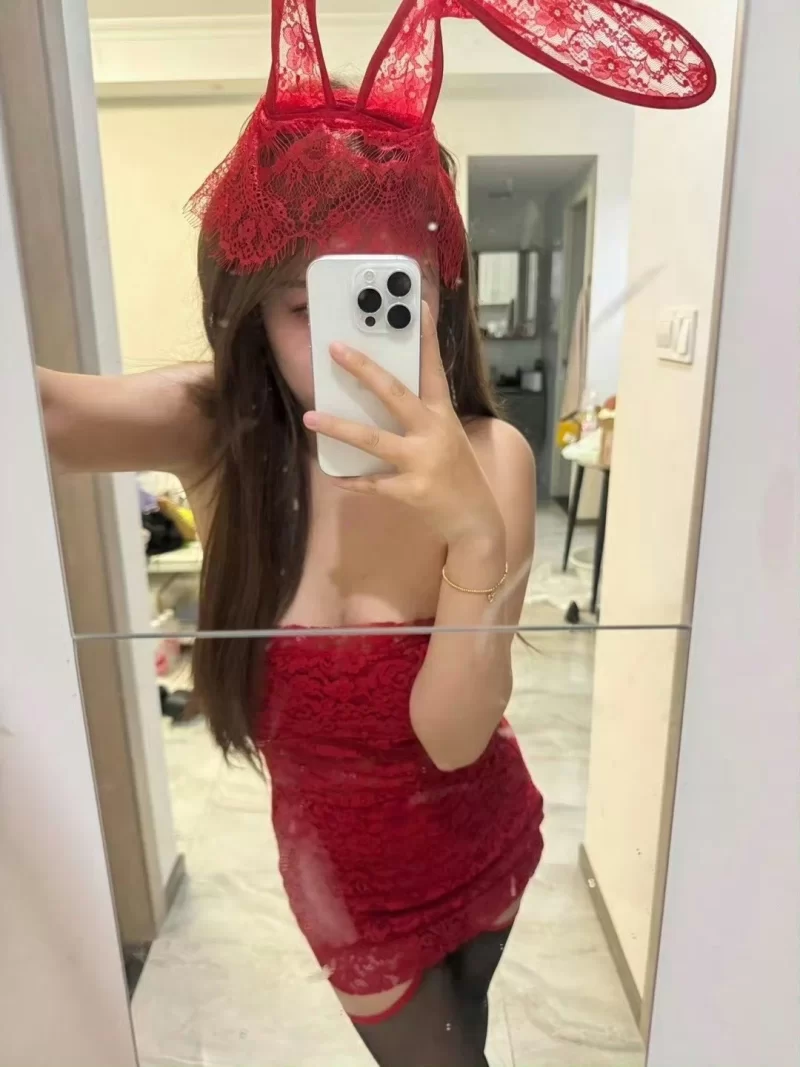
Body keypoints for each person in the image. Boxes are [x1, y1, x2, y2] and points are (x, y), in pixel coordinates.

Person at [37, 2, 715, 1063]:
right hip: (343, 888)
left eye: (379, 298)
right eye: (305, 306)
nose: (344, 349)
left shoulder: (494, 458)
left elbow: (453, 737)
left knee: (464, 1041)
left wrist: (472, 535)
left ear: (435, 297)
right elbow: (36, 414)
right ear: (252, 313)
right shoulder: (219, 432)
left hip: (487, 841)